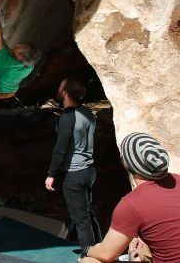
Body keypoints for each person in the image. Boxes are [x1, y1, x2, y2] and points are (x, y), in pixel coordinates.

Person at [80, 132, 180, 263]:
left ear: (125, 163)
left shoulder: (132, 204)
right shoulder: (177, 180)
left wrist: (89, 249)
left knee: (88, 261)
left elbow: (106, 254)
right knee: (143, 248)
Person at [44, 78, 101, 249]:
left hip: (74, 173)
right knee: (87, 214)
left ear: (65, 93)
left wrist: (51, 174)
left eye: (61, 86)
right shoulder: (88, 113)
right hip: (89, 170)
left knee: (80, 219)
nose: (59, 88)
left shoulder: (68, 118)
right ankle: (99, 247)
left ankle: (89, 255)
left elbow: (60, 149)